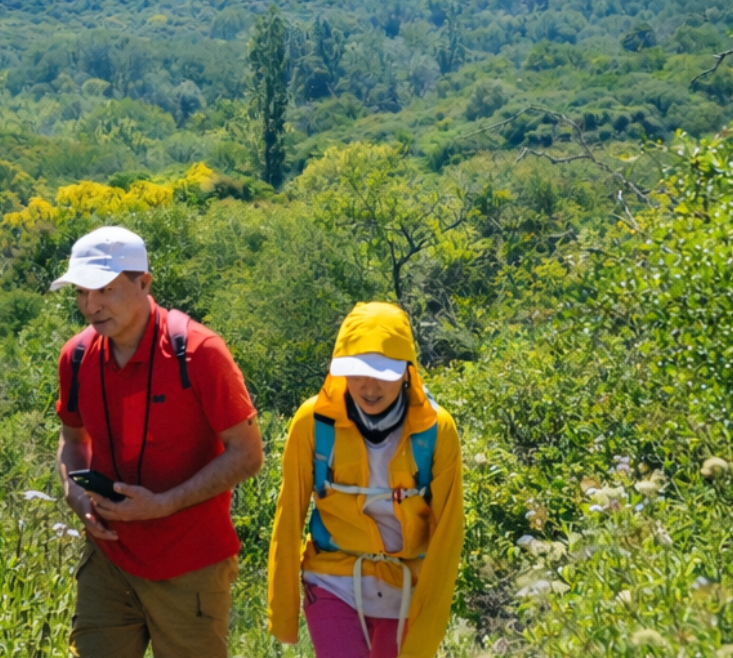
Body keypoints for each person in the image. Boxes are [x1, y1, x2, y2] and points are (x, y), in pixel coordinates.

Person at [53, 225, 263, 658]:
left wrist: (166, 503)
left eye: (105, 290)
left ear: (144, 283)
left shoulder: (199, 352)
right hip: (109, 558)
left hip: (190, 563)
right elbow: (73, 440)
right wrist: (75, 494)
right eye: (81, 292)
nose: (90, 306)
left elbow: (247, 454)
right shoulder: (77, 356)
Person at [267, 302, 464, 658]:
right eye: (356, 372)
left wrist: (428, 627)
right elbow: (289, 514)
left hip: (405, 588)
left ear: (407, 371)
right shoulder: (312, 422)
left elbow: (447, 534)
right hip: (331, 578)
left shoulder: (438, 430)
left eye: (383, 374)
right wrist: (283, 612)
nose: (369, 387)